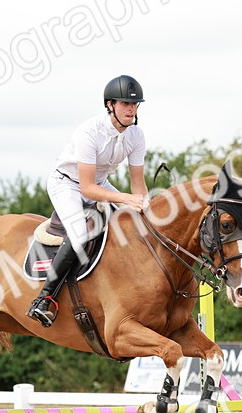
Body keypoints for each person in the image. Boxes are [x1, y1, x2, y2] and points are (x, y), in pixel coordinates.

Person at [26, 75, 150, 327]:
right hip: (67, 184)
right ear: (110, 105)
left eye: (134, 104)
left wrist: (144, 208)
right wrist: (125, 198)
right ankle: (44, 298)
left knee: (136, 222)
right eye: (125, 104)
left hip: (100, 183)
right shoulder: (89, 132)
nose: (131, 109)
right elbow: (87, 188)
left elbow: (138, 186)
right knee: (80, 234)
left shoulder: (136, 136)